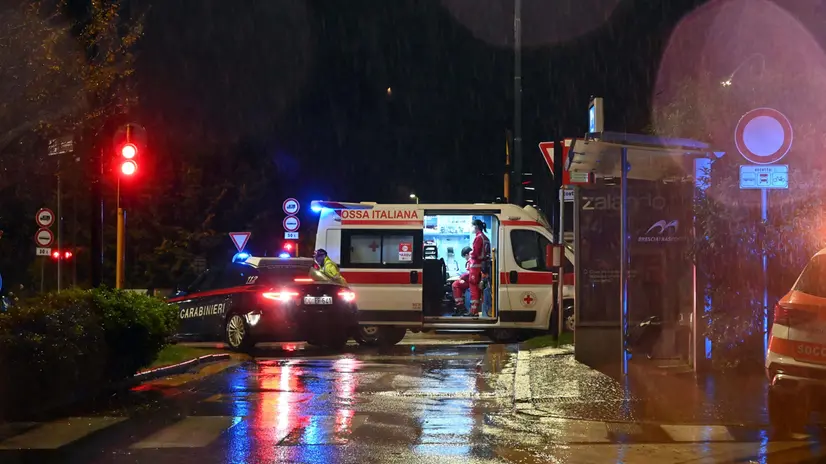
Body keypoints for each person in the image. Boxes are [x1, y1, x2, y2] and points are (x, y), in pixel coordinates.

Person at [468, 219, 491, 316]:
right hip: (483, 267)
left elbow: (475, 253)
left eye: (472, 226)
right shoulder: (486, 238)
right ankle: (481, 311)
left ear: (476, 226)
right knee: (481, 290)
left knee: (474, 289)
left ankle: (473, 312)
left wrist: (470, 253)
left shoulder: (478, 238)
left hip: (476, 268)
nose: (471, 228)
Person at [451, 246, 473, 312]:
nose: (465, 259)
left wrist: (461, 277)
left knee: (455, 284)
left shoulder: (470, 261)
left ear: (467, 255)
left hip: (472, 281)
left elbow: (470, 273)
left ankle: (460, 305)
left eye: (465, 257)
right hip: (472, 280)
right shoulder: (472, 260)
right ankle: (460, 304)